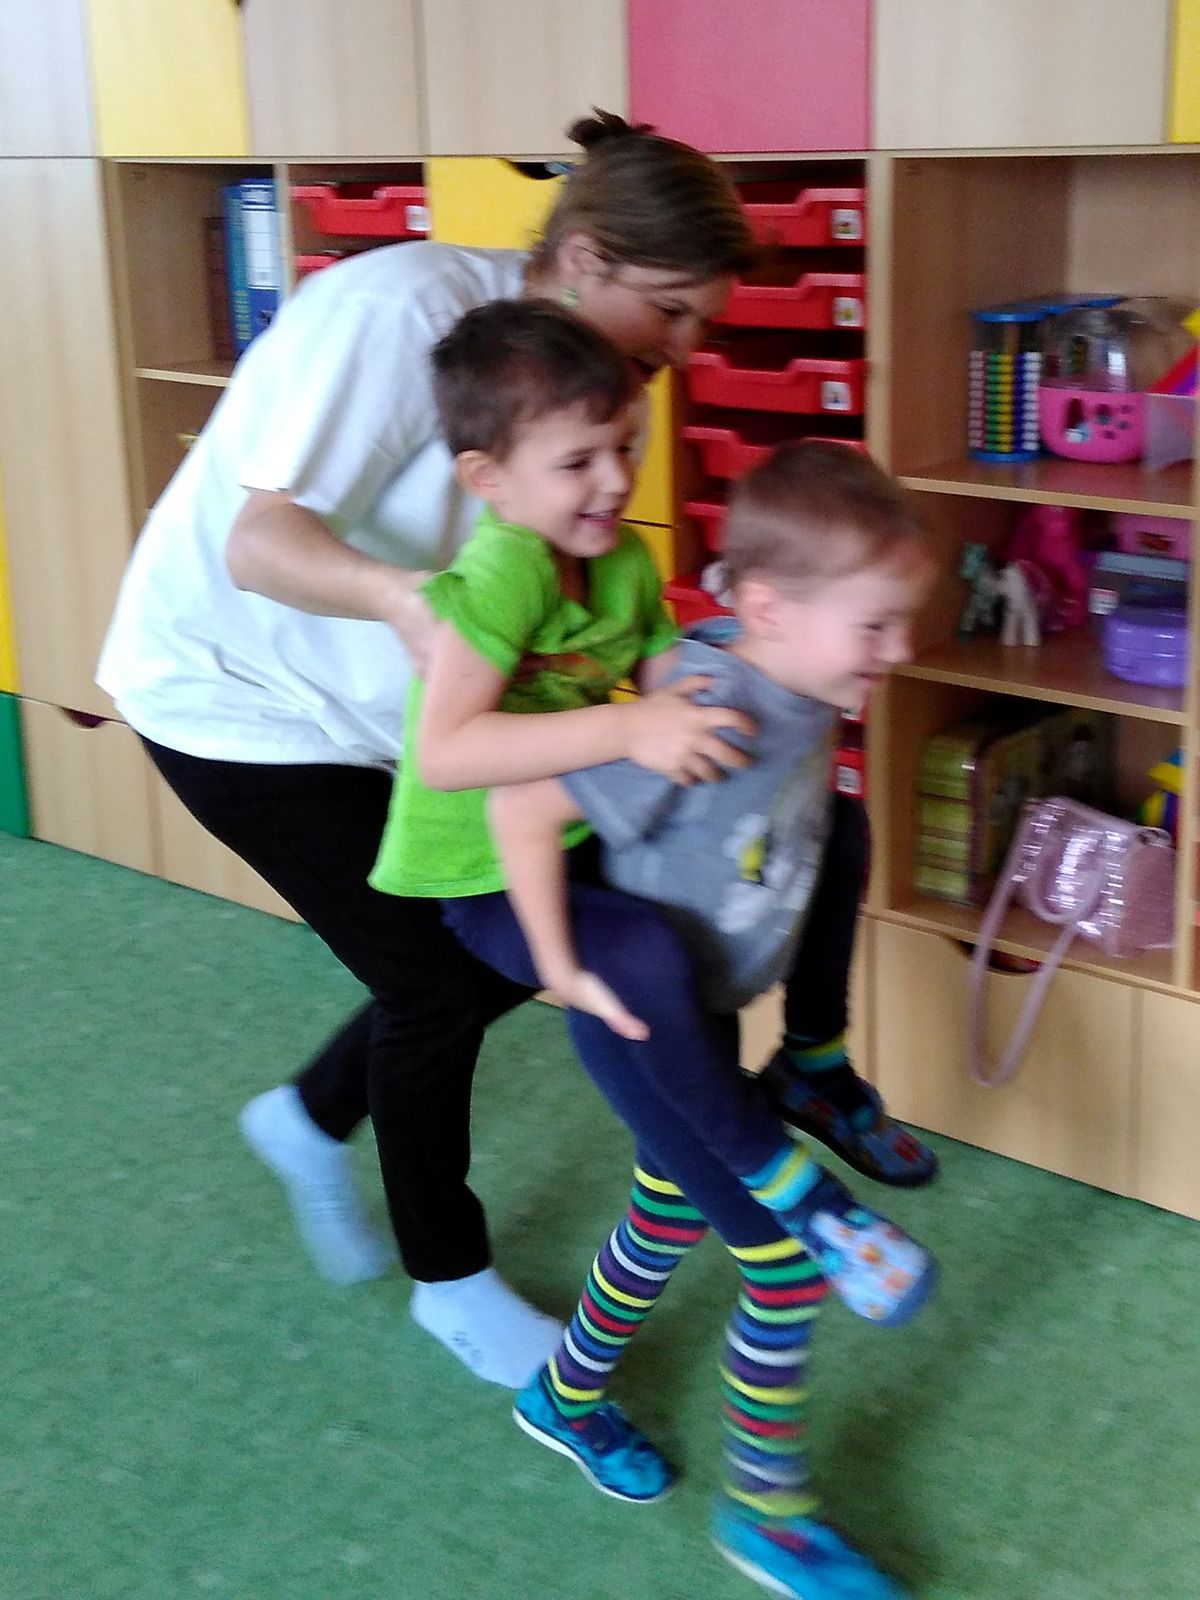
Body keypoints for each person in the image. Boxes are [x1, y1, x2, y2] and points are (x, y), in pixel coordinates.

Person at [93, 109, 900, 1391]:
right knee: (435, 979)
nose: (683, 351)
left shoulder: (582, 398)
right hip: (233, 694)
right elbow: (259, 542)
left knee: (509, 944)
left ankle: (307, 1114)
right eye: (671, 312)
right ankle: (450, 1280)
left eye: (701, 325)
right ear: (581, 258)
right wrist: (414, 607)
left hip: (392, 712)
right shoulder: (401, 313)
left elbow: (597, 607)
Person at [388, 400, 937, 1599]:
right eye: (876, 625)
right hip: (644, 1028)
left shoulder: (799, 677)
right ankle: (769, 1514)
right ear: (774, 609)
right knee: (782, 1263)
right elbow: (523, 805)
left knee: (668, 1204)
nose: (898, 650)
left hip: (707, 1007)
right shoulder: (707, 708)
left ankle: (565, 1391)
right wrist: (559, 963)